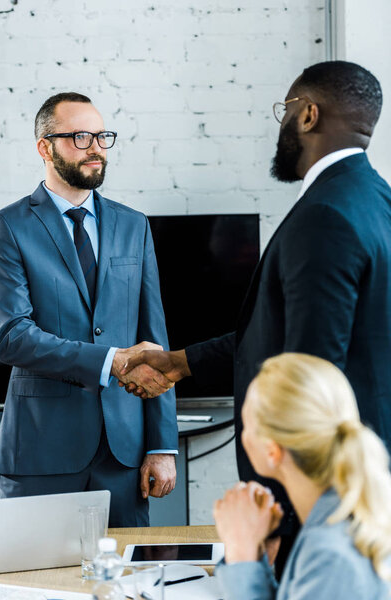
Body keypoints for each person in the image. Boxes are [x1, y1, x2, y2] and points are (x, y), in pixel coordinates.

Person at [121, 60, 391, 569]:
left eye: (284, 112)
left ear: (308, 115)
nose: (281, 126)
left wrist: (277, 519)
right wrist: (180, 361)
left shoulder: (325, 217)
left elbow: (309, 380)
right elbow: (285, 331)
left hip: (318, 504)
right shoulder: (376, 200)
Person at [0, 92, 178, 527]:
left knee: (127, 586)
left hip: (124, 453)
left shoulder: (134, 224)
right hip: (40, 451)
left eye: (101, 136)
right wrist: (111, 360)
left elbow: (156, 339)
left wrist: (162, 445)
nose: (95, 147)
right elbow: (12, 336)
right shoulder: (7, 227)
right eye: (79, 137)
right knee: (36, 587)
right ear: (45, 147)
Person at [213, 353, 391, 599]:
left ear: (271, 450)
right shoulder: (334, 518)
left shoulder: (331, 555)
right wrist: (250, 554)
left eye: (246, 425)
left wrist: (240, 551)